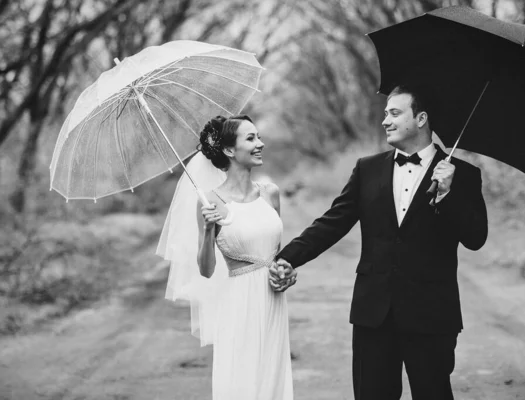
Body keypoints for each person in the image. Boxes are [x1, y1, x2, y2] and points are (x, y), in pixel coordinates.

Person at [270, 85, 488, 399]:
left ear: (421, 118)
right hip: (373, 312)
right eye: (385, 114)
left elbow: (476, 238)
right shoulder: (367, 169)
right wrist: (289, 256)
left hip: (431, 312)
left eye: (395, 113)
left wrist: (447, 194)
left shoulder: (463, 174)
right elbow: (333, 222)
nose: (385, 121)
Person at [157, 115, 294, 400]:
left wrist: (287, 273)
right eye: (251, 138)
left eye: (258, 136)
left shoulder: (271, 194)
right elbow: (206, 270)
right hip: (238, 303)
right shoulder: (210, 201)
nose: (261, 144)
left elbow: (277, 255)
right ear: (230, 151)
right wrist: (208, 230)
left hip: (273, 301)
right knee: (242, 382)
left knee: (272, 379)